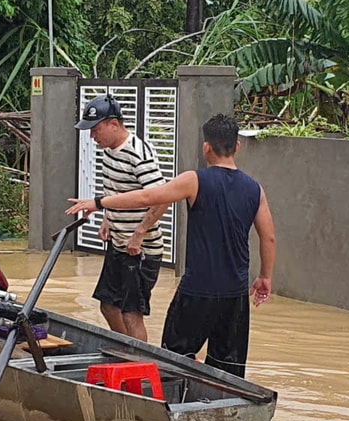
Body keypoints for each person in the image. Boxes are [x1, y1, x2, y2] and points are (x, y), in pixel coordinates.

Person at [67, 113, 276, 378]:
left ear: (206, 147)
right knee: (229, 372)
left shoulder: (194, 180)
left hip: (197, 290)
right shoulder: (255, 189)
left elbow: (147, 196)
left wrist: (99, 203)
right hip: (235, 295)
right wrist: (265, 277)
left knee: (173, 361)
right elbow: (269, 238)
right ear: (237, 146)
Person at [76, 94, 171, 342]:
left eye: (96, 130)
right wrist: (108, 219)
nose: (93, 137)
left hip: (141, 250)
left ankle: (138, 358)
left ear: (114, 124)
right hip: (118, 244)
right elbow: (116, 191)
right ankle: (125, 350)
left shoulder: (138, 154)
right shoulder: (109, 152)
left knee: (132, 314)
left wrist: (139, 233)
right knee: (108, 306)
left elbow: (163, 198)